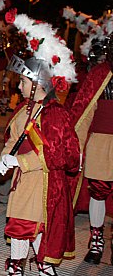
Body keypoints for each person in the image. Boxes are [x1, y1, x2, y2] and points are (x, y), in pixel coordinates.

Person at [0, 13, 80, 276]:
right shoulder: (25, 108)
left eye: (23, 81)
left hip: (42, 181)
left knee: (34, 225)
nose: (18, 85)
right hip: (23, 179)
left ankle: (43, 268)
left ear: (37, 85)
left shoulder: (54, 113)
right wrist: (4, 156)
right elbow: (12, 137)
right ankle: (17, 265)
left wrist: (19, 161)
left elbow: (56, 154)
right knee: (21, 224)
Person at [68, 21, 113, 266]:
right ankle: (96, 239)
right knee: (98, 190)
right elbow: (84, 111)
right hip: (100, 143)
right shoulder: (99, 73)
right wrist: (77, 143)